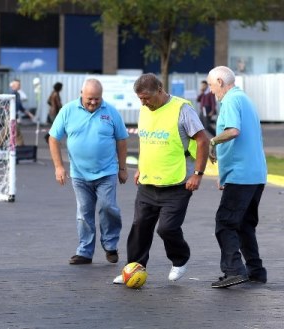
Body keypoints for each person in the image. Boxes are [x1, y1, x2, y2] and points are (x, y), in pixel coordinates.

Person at [115, 73, 209, 284]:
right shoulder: (145, 109)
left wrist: (198, 174)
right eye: (140, 98)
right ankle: (133, 268)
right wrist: (140, 167)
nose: (143, 102)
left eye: (146, 97)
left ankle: (180, 259)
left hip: (178, 182)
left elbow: (203, 140)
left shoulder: (182, 109)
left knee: (166, 228)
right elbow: (145, 140)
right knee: (140, 226)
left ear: (160, 90)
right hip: (148, 182)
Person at [48, 78, 129, 265]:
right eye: (90, 99)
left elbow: (122, 140)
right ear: (81, 94)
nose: (93, 102)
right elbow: (53, 138)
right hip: (79, 174)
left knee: (108, 207)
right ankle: (85, 251)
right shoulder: (68, 110)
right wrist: (59, 167)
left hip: (107, 172)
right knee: (84, 212)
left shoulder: (110, 112)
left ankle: (110, 245)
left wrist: (122, 168)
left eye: (97, 99)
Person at [207, 66, 267, 288]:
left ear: (221, 82)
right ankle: (256, 271)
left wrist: (213, 141)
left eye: (212, 86)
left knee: (225, 223)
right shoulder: (245, 99)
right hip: (255, 174)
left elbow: (233, 131)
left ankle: (234, 270)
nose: (212, 92)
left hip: (241, 176)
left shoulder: (231, 100)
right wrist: (224, 174)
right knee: (244, 225)